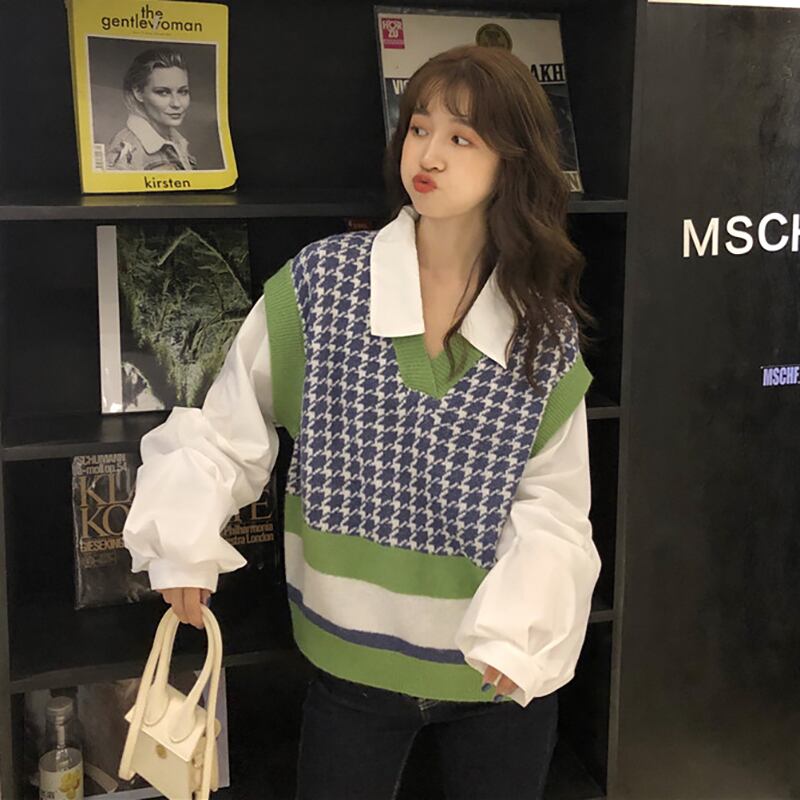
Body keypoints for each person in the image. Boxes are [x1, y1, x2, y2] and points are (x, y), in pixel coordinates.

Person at [123, 43, 601, 800]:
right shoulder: (324, 285)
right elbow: (227, 428)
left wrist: (521, 631)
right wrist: (179, 545)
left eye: (461, 137)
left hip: (496, 680)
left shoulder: (540, 326)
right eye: (420, 128)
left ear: (513, 162)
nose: (429, 154)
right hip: (349, 668)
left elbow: (553, 506)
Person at [105, 48, 197, 171]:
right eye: (163, 92)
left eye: (183, 91)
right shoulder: (127, 150)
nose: (176, 103)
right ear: (138, 93)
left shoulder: (176, 142)